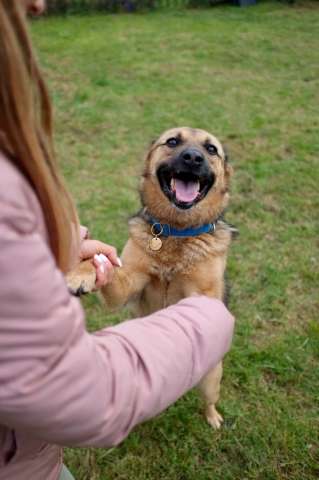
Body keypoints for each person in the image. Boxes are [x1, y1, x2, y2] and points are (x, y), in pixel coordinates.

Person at [0, 1, 235, 479]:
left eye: (208, 151)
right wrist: (92, 272)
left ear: (223, 179)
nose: (191, 155)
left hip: (24, 453)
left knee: (210, 386)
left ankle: (210, 406)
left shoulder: (213, 244)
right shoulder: (140, 235)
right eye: (174, 144)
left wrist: (53, 243)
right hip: (29, 451)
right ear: (149, 164)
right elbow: (120, 292)